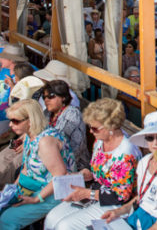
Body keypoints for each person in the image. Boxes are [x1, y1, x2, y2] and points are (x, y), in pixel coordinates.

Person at [44, 98, 141, 230]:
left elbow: (121, 196)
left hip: (116, 205)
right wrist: (86, 174)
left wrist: (86, 194)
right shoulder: (100, 141)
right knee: (52, 217)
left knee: (65, 226)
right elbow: (99, 171)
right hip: (96, 193)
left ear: (110, 126)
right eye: (90, 127)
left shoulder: (126, 153)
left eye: (94, 128)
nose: (90, 131)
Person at [0, 99, 75, 230]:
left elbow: (60, 176)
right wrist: (11, 191)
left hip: (55, 192)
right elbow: (25, 168)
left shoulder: (45, 142)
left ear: (30, 120)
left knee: (6, 219)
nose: (11, 124)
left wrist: (36, 199)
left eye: (15, 121)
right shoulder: (30, 135)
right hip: (35, 186)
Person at [101, 111, 157, 229]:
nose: (155, 143)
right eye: (149, 138)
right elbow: (141, 198)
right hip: (138, 216)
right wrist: (118, 212)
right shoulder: (144, 162)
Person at [43, 80, 90, 169]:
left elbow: (77, 148)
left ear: (63, 97)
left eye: (51, 96)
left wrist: (56, 165)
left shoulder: (73, 114)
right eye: (44, 97)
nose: (46, 100)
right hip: (49, 160)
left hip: (74, 164)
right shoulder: (47, 113)